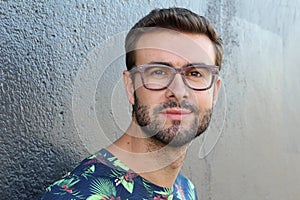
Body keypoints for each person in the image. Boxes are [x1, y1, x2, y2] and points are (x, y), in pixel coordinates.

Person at [38, 7, 223, 200]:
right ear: (130, 87)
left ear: (215, 91)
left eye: (195, 73)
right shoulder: (76, 195)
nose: (178, 91)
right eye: (159, 72)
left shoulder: (185, 189)